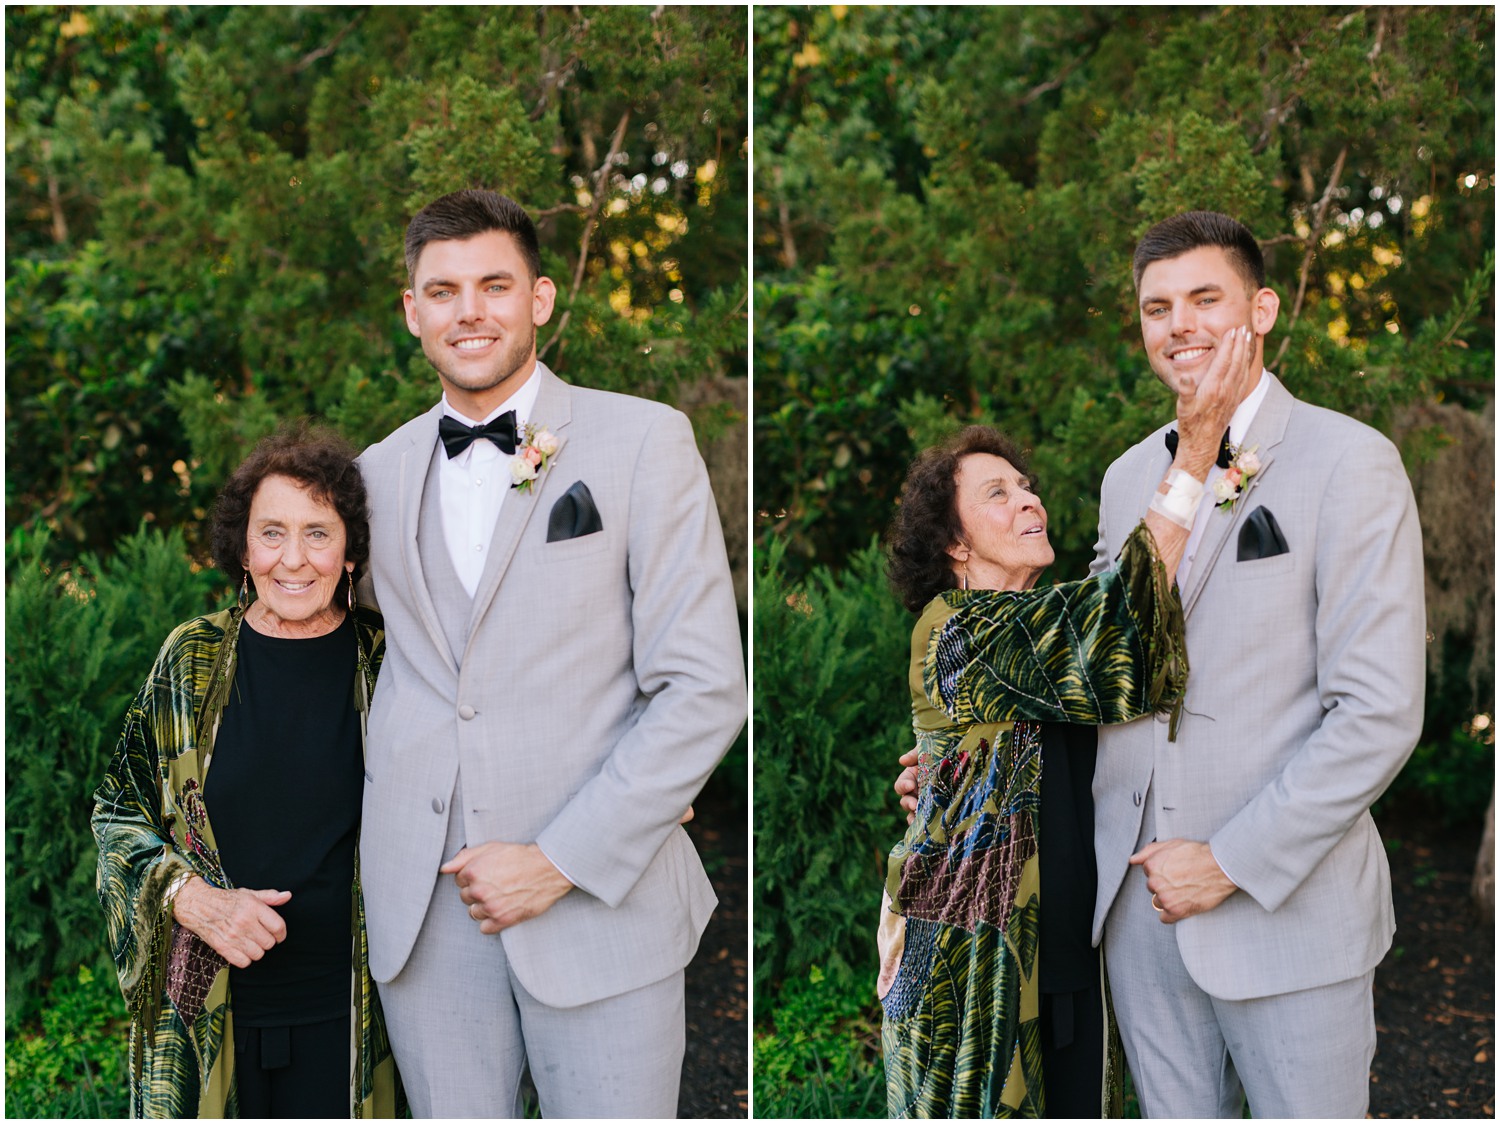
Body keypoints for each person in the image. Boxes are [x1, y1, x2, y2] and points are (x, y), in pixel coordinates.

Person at [900, 211, 1425, 1118]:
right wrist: (966, 774)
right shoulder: (1126, 476)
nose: (1177, 324)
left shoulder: (1351, 462)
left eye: (1203, 299)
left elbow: (1378, 712)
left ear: (1261, 310)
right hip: (1134, 919)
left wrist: (1230, 861)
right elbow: (1099, 666)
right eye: (1156, 307)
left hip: (1284, 907)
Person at [356, 189, 746, 1117]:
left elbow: (702, 686)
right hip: (425, 916)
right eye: (442, 291)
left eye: (494, 285)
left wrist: (561, 860)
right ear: (413, 314)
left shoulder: (645, 440)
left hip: (597, 898)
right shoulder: (375, 473)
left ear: (540, 298)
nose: (470, 311)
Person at [878, 323, 1254, 1119]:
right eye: (998, 494)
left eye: (1027, 484)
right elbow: (1120, 624)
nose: (1029, 499)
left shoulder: (1037, 630)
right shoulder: (957, 627)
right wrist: (1195, 452)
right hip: (975, 979)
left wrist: (937, 777)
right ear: (952, 545)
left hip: (1065, 965)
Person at [92, 426, 402, 1118]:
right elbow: (119, 811)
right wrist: (192, 900)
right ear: (242, 547)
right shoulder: (190, 659)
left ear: (350, 550)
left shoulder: (388, 663)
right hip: (208, 1018)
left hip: (354, 1019)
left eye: (318, 533)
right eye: (272, 533)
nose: (294, 560)